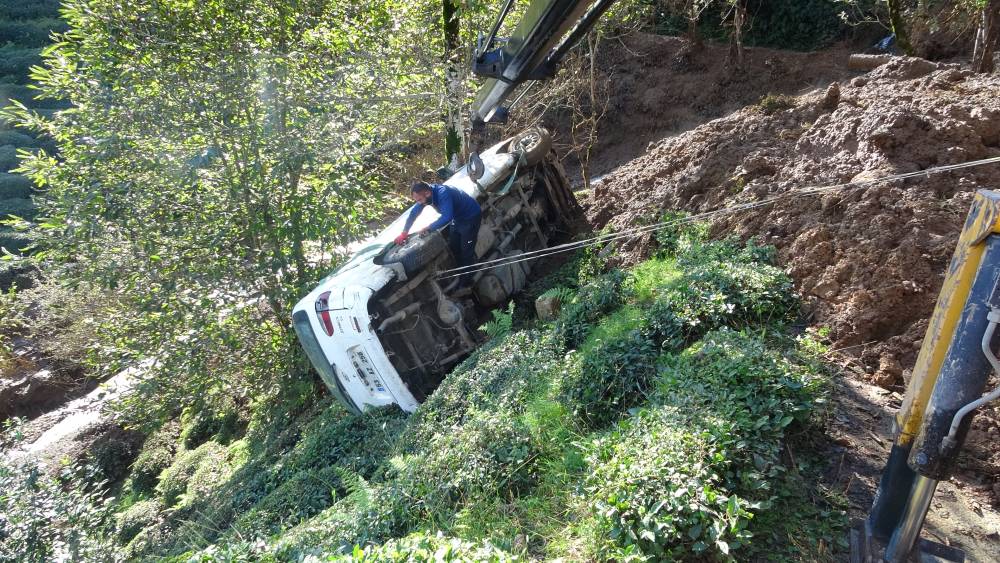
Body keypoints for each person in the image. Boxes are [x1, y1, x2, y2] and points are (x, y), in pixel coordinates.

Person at [395, 181, 482, 287]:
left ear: (427, 193)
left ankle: (467, 280)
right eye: (416, 201)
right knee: (454, 246)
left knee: (466, 251)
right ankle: (461, 271)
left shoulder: (443, 193)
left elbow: (447, 217)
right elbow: (413, 213)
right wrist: (404, 233)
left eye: (419, 200)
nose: (419, 203)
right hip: (458, 218)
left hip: (470, 216)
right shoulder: (426, 196)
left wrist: (428, 227)